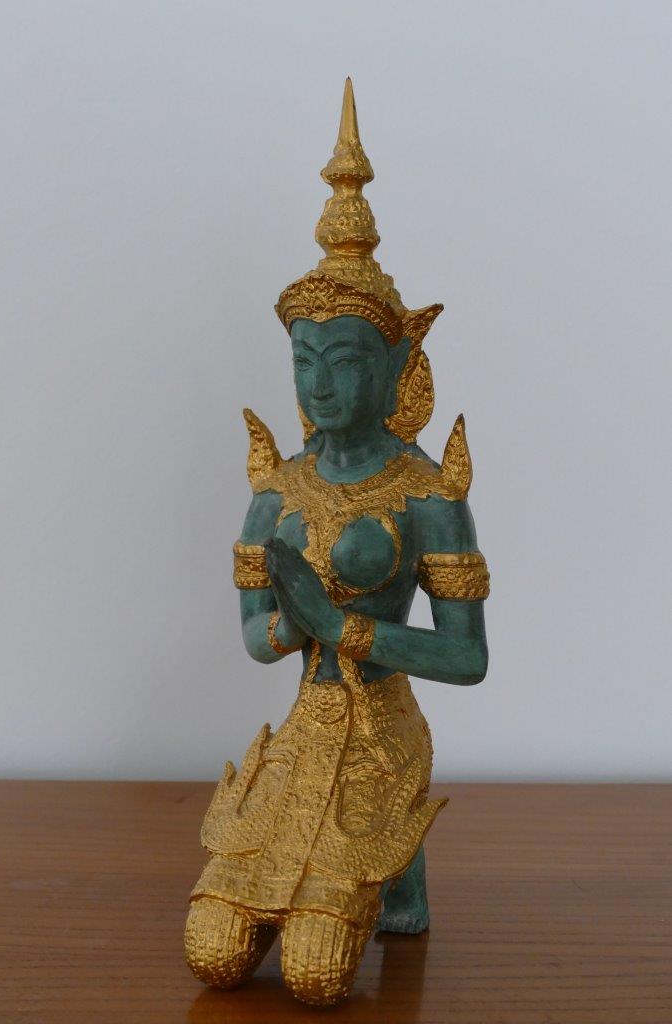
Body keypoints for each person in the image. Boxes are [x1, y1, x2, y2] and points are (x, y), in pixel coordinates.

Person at [185, 78, 489, 1007]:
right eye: (305, 361)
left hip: (378, 739)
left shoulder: (426, 493)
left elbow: (467, 658)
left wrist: (339, 625)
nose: (320, 386)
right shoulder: (278, 490)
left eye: (346, 361)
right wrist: (288, 623)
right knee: (212, 953)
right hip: (300, 739)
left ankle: (394, 889)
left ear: (398, 366)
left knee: (317, 976)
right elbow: (254, 638)